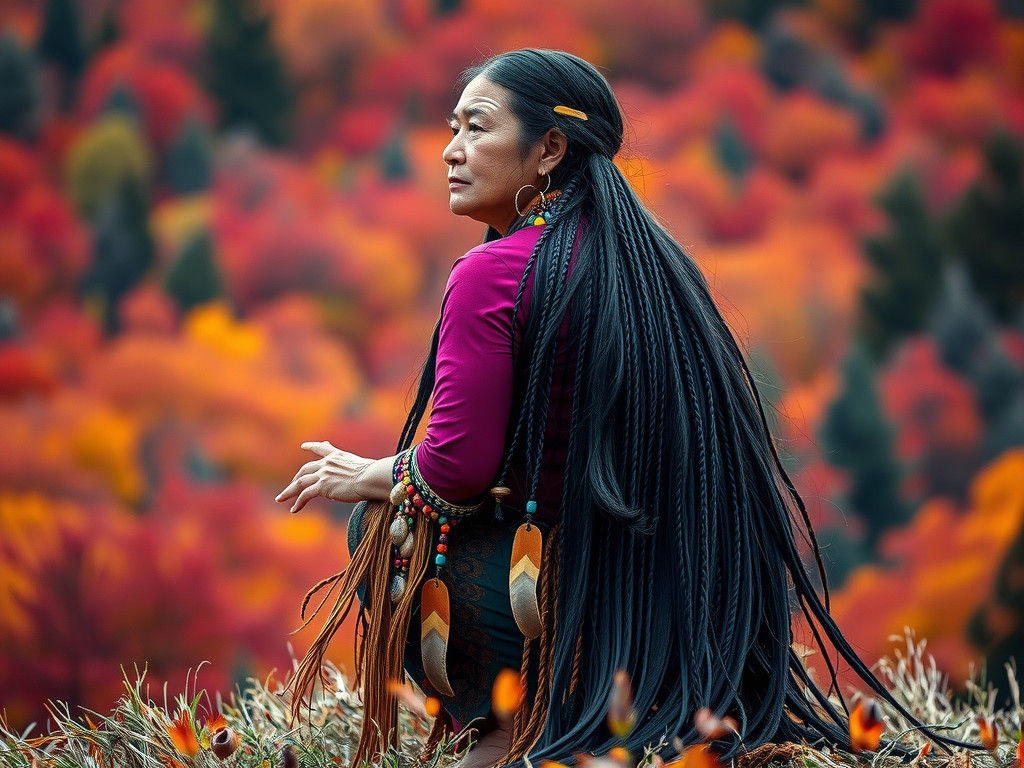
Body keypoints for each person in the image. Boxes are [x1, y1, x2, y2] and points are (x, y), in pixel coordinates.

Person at [275, 49, 977, 768]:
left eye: (477, 128)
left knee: (379, 523)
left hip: (564, 596)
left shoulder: (490, 273)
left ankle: (510, 727)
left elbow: (457, 467)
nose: (452, 151)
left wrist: (371, 474)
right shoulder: (653, 265)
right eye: (452, 128)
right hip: (671, 617)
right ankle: (604, 716)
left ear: (550, 148)